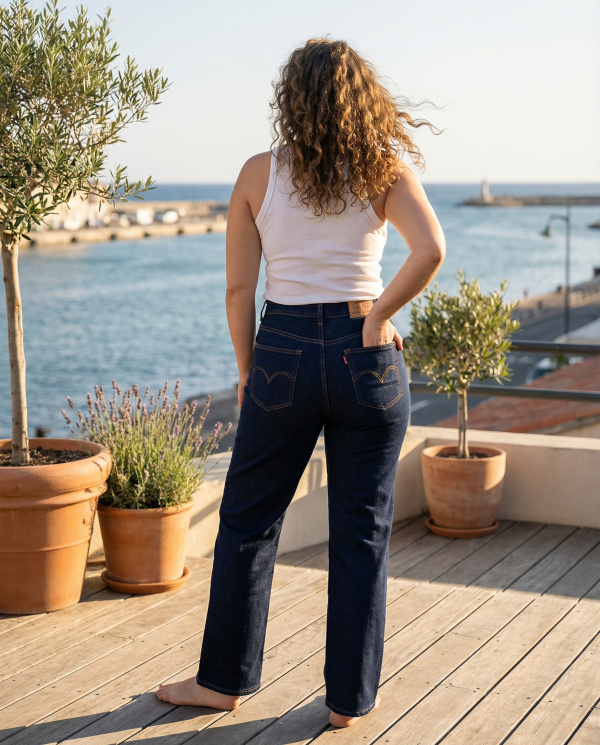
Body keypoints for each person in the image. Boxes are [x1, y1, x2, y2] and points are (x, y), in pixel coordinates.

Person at [156, 37, 446, 728]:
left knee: (247, 521)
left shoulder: (258, 173)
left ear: (292, 99)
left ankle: (223, 681)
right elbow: (430, 250)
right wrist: (378, 315)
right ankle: (349, 700)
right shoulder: (383, 169)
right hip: (366, 354)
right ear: (362, 99)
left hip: (281, 349)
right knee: (362, 531)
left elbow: (238, 290)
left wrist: (249, 368)